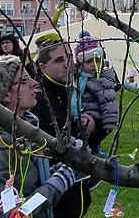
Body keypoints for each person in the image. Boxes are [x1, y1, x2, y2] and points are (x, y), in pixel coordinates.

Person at [0, 56, 79, 218]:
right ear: (4, 94)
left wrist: (62, 170)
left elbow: (27, 184)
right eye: (24, 81)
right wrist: (56, 184)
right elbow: (8, 215)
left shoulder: (21, 134)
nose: (34, 83)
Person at [30, 38, 92, 218]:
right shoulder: (40, 101)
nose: (67, 64)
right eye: (59, 60)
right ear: (43, 68)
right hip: (58, 198)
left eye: (69, 57)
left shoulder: (69, 90)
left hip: (74, 192)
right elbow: (58, 149)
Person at [73, 35, 119, 152]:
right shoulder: (77, 77)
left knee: (85, 132)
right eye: (88, 61)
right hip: (81, 113)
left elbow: (109, 101)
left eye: (97, 60)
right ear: (80, 63)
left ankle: (90, 148)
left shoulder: (102, 80)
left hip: (95, 117)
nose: (94, 64)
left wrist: (109, 122)